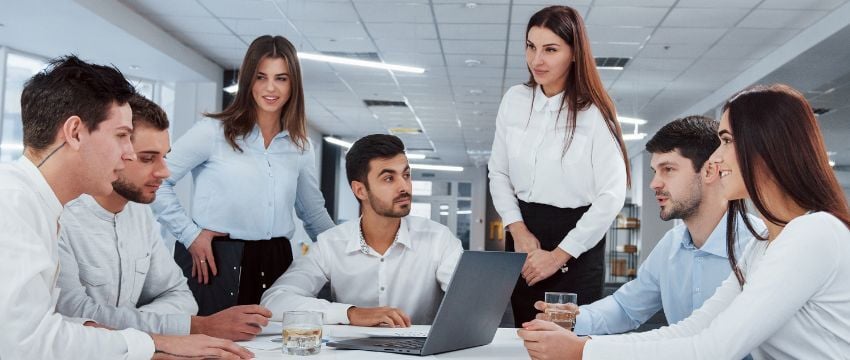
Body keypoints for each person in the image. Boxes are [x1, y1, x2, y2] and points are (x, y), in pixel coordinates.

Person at [518, 84, 850, 359]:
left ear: (766, 147)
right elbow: (693, 329)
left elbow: (714, 348)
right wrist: (584, 345)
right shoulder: (763, 247)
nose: (717, 158)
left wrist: (583, 351)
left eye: (727, 141)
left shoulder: (813, 234)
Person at [0, 55, 251, 359]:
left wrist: (155, 342)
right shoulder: (12, 205)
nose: (129, 153)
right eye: (121, 136)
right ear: (75, 132)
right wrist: (157, 344)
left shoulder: (37, 204)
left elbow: (57, 324)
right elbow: (25, 343)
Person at [56, 95, 272, 341]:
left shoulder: (139, 214)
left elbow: (181, 297)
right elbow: (76, 316)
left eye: (164, 157)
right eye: (148, 158)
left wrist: (134, 324)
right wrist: (197, 327)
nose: (165, 172)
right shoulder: (62, 219)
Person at [152, 35, 335, 315]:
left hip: (276, 261)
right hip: (218, 261)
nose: (270, 88)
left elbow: (313, 214)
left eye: (281, 78)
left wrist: (348, 255)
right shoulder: (212, 132)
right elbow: (156, 180)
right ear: (249, 80)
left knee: (275, 339)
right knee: (214, 340)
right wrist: (190, 234)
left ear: (293, 85)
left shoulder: (300, 146)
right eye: (261, 77)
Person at [540, 116, 764, 336]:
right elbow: (626, 308)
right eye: (655, 171)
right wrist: (574, 318)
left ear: (709, 171)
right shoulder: (671, 245)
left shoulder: (759, 245)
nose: (654, 184)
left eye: (668, 169)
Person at [488, 5, 630, 326]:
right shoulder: (515, 100)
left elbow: (611, 196)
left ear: (574, 53)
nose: (537, 60)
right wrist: (517, 230)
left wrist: (558, 256)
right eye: (531, 47)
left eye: (550, 50)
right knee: (527, 332)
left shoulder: (594, 114)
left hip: (576, 241)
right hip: (524, 236)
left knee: (568, 338)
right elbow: (498, 172)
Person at [260, 134, 463, 326]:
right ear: (360, 190)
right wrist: (350, 313)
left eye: (406, 175)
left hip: (421, 348)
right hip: (351, 348)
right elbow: (275, 302)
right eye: (389, 178)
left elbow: (470, 298)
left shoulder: (438, 239)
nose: (405, 187)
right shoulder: (331, 244)